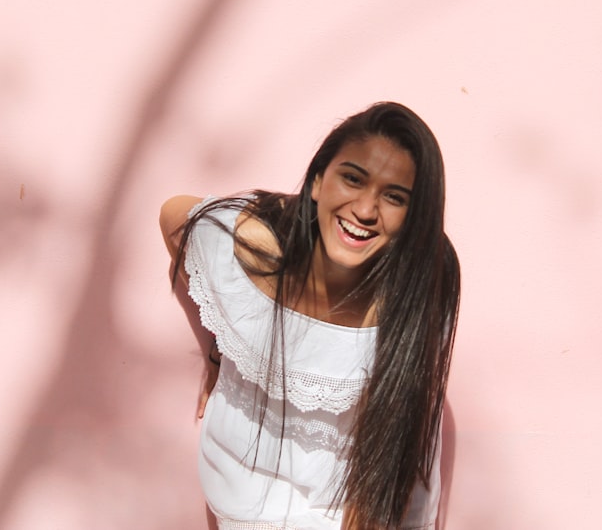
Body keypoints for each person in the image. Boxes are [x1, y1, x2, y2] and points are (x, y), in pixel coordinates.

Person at [159, 102, 460, 530]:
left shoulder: (420, 286)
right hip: (234, 497)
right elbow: (173, 216)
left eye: (395, 197)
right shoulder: (250, 246)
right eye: (352, 179)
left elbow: (381, 475)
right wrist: (217, 352)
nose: (366, 209)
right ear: (318, 181)